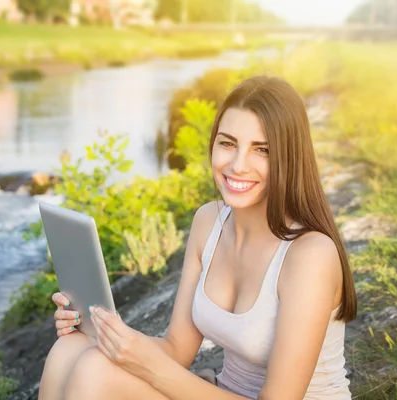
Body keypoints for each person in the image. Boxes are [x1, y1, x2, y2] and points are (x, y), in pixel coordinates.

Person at [37, 76, 358, 400]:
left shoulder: (310, 254)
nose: (237, 165)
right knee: (72, 346)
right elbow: (177, 349)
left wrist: (149, 367)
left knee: (96, 369)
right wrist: (109, 331)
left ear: (289, 158)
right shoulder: (210, 221)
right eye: (228, 143)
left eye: (262, 150)